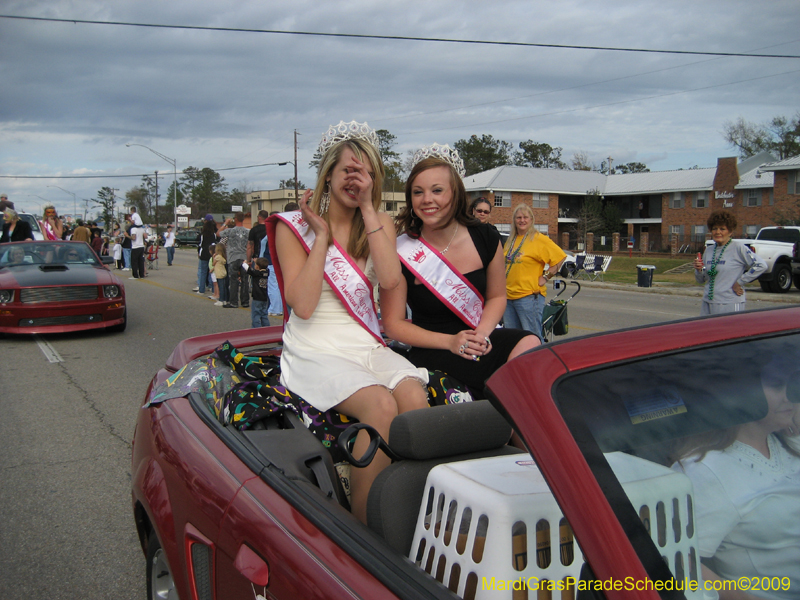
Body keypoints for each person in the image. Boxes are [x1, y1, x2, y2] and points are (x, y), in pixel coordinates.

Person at [271, 120, 429, 523]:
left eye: (365, 172)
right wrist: (321, 237)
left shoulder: (379, 224)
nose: (354, 179)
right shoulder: (295, 227)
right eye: (347, 170)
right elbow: (303, 307)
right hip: (314, 344)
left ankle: (409, 512)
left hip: (363, 342)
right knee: (378, 404)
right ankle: (365, 533)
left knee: (413, 396)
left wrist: (367, 207)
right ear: (329, 175)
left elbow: (391, 281)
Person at [382, 143, 540, 395]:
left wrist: (481, 335)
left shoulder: (485, 236)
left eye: (437, 190)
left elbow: (498, 297)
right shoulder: (401, 250)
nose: (427, 200)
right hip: (435, 347)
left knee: (529, 343)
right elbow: (392, 324)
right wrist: (451, 342)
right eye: (418, 192)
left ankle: (519, 431)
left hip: (481, 337)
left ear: (455, 193)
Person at [673, 355, 800, 600]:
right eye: (776, 386)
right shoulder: (706, 471)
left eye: (792, 384)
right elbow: (679, 559)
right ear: (741, 392)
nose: (788, 395)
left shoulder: (786, 443)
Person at [503, 204, 567, 337]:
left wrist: (546, 276)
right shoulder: (511, 240)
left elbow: (560, 257)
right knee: (512, 338)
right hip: (508, 297)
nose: (522, 220)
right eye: (519, 217)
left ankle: (539, 358)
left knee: (532, 337)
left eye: (525, 217)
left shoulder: (538, 239)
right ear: (514, 220)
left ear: (531, 220)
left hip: (528, 297)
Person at [694, 210, 767, 315]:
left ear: (730, 231)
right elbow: (701, 280)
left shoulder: (738, 248)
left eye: (722, 229)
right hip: (708, 302)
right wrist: (699, 270)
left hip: (729, 302)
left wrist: (740, 282)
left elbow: (761, 265)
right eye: (714, 229)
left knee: (728, 332)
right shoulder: (709, 250)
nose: (718, 232)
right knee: (707, 331)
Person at [221, 212, 251, 309]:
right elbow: (250, 245)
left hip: (233, 257)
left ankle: (233, 302)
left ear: (235, 219)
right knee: (245, 280)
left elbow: (219, 233)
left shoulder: (230, 231)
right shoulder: (248, 231)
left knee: (233, 280)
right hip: (244, 257)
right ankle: (245, 301)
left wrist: (225, 223)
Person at [195, 215, 217, 295]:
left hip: (204, 253)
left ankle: (201, 289)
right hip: (211, 254)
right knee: (211, 271)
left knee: (203, 272)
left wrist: (199, 252)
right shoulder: (214, 235)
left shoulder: (202, 235)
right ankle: (212, 288)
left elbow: (200, 244)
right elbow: (214, 244)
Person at [248, 257, 271, 327]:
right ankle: (266, 328)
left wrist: (244, 263)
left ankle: (256, 329)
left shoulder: (257, 273)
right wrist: (257, 261)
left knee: (256, 314)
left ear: (257, 266)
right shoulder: (267, 272)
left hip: (257, 297)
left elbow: (248, 270)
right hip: (264, 297)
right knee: (264, 314)